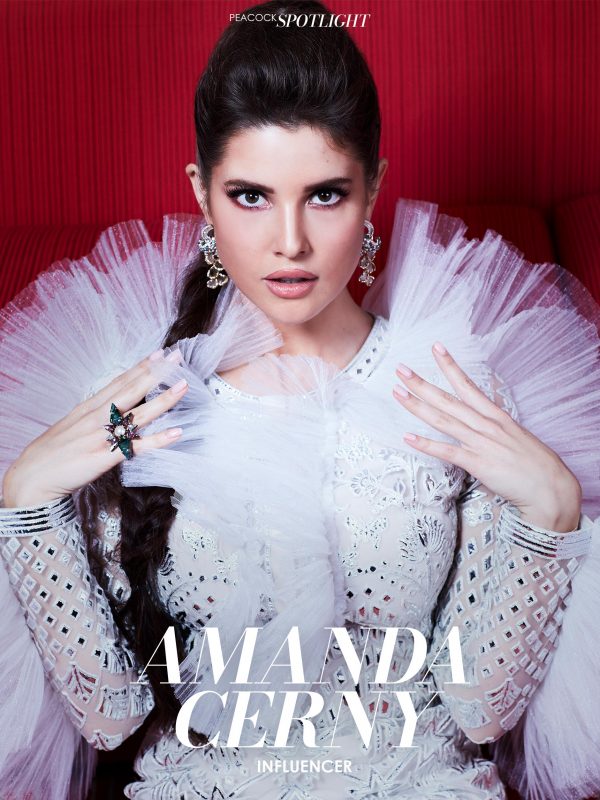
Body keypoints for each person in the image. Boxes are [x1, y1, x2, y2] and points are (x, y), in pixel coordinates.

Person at [1, 1, 600, 798]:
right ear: (203, 195)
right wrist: (26, 502)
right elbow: (109, 719)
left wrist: (552, 509)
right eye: (251, 195)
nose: (290, 241)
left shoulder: (447, 391)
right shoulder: (141, 404)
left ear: (373, 188)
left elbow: (481, 712)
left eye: (324, 195)